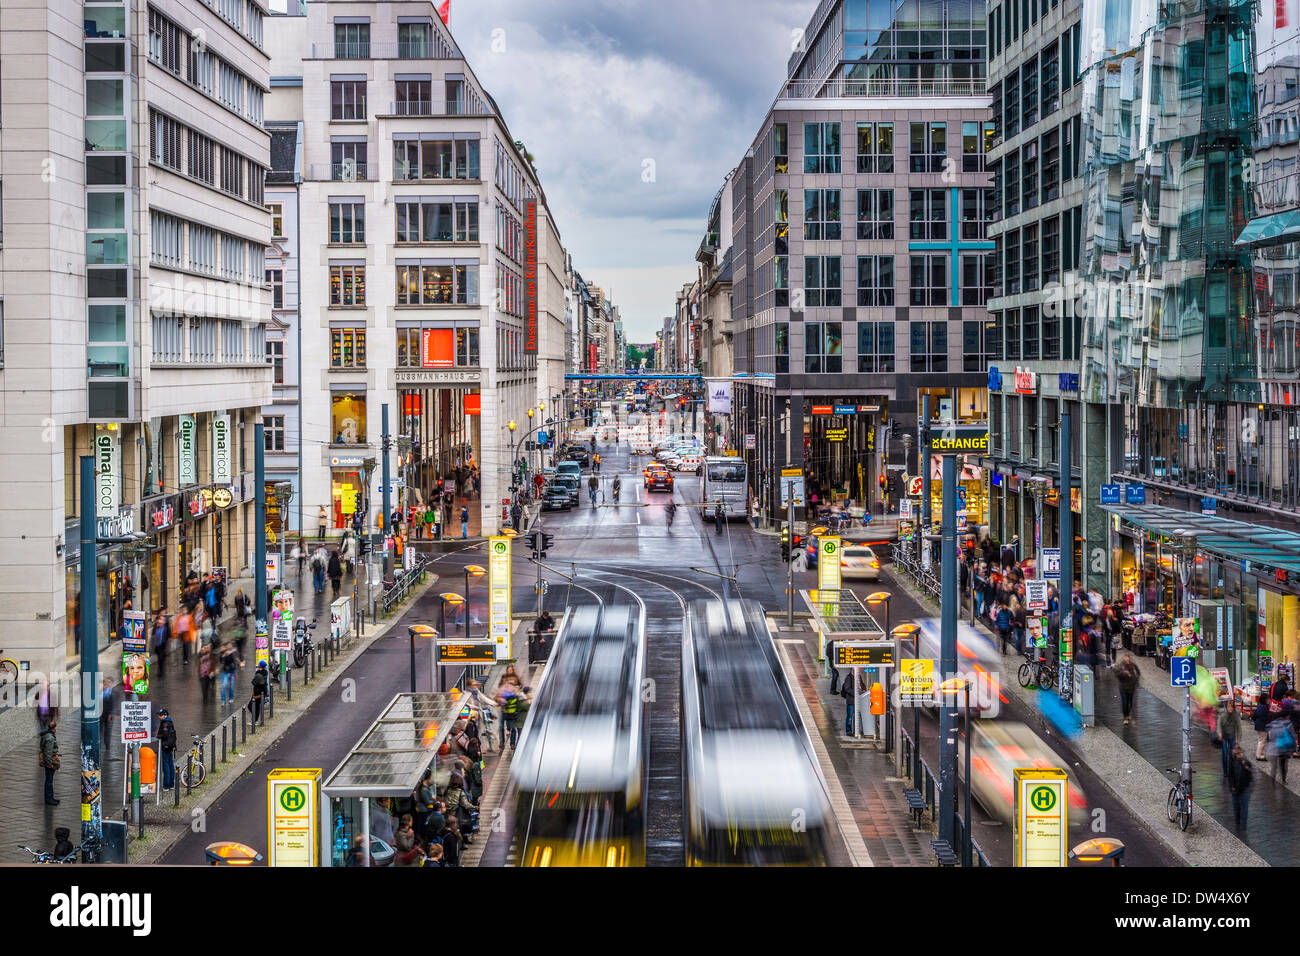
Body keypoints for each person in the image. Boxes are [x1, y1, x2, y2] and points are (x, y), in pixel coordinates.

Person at [1228, 745, 1253, 830]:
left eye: (1237, 751)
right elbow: (1230, 774)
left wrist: (1243, 762)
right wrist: (1232, 786)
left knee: (1244, 808)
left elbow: (1249, 772)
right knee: (1236, 807)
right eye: (1234, 750)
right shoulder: (1231, 760)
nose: (1235, 752)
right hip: (1235, 788)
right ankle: (1237, 824)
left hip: (1244, 787)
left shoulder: (1244, 760)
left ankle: (1243, 827)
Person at [1113, 652, 1141, 725]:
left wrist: (1135, 680)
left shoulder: (1133, 666)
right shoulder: (1121, 666)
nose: (1127, 659)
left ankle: (1128, 714)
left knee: (1130, 701)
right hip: (1123, 687)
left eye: (1128, 658)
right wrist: (1124, 673)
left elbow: (1138, 673)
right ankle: (1125, 717)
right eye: (1125, 658)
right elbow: (1117, 674)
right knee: (1124, 702)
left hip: (1131, 687)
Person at [1216, 700, 1241, 778]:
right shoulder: (1223, 714)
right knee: (1225, 754)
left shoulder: (1236, 715)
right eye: (1229, 707)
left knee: (1232, 754)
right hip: (1224, 735)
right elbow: (1219, 724)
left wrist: (1238, 740)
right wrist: (1219, 733)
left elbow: (1238, 727)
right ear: (1226, 707)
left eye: (1231, 707)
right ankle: (1225, 771)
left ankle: (1231, 770)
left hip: (1232, 735)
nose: (1230, 709)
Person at [38, 718, 60, 805]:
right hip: (50, 762)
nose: (56, 729)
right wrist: (49, 763)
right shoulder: (50, 738)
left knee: (49, 780)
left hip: (49, 761)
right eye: (56, 727)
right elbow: (48, 752)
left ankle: (50, 797)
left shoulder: (47, 735)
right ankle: (49, 799)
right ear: (53, 728)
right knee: (49, 781)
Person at [157, 709, 177, 791]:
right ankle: (172, 785)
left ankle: (166, 786)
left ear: (165, 715)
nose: (159, 716)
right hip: (171, 746)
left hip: (165, 746)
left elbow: (164, 735)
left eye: (160, 715)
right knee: (171, 765)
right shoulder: (170, 722)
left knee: (166, 766)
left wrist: (158, 736)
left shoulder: (164, 723)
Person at [219, 640, 239, 706]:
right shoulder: (222, 653)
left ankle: (231, 698)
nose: (228, 646)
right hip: (225, 671)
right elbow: (221, 661)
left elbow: (235, 660)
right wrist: (224, 655)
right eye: (227, 645)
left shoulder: (234, 652)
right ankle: (223, 700)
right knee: (224, 685)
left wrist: (231, 654)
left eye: (230, 645)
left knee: (231, 685)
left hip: (232, 670)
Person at [1253, 694, 1273, 760]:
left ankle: (1260, 754)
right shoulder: (1263, 708)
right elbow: (1267, 717)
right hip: (1262, 726)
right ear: (1265, 700)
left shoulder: (1260, 706)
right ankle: (1259, 755)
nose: (1269, 700)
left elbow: (1255, 715)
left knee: (1261, 740)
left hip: (1259, 725)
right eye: (1268, 699)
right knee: (1262, 741)